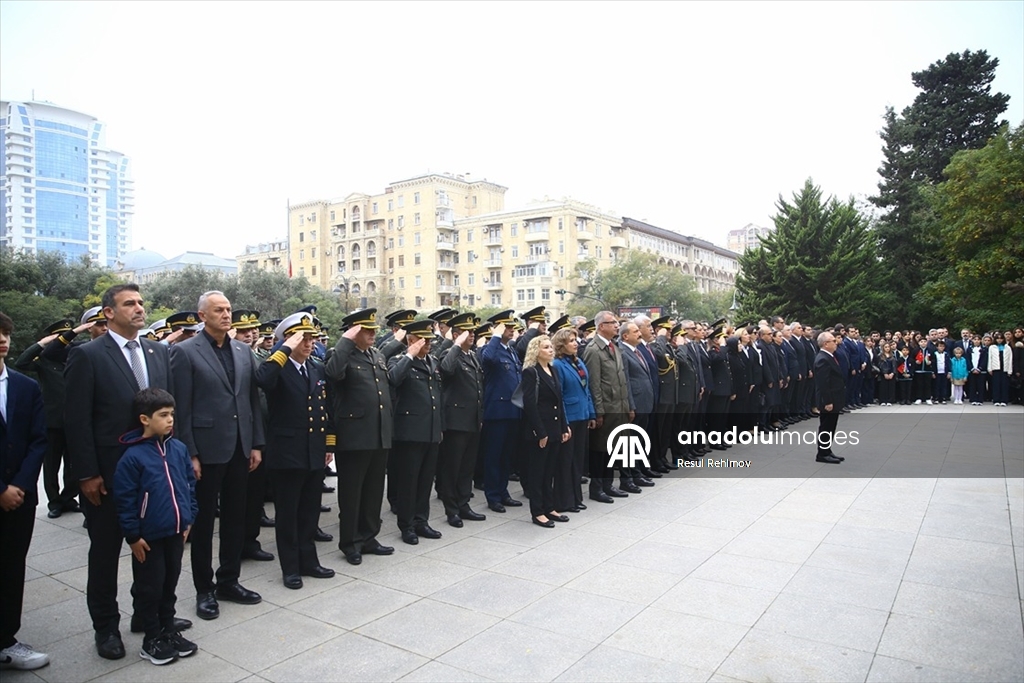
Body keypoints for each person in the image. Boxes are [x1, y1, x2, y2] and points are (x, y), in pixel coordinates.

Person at [64, 284, 186, 660]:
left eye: (140, 302)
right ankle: (106, 627)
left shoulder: (159, 351)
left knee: (150, 552)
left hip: (153, 476)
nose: (138, 308)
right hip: (108, 474)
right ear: (108, 312)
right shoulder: (88, 356)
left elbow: (167, 414)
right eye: (129, 303)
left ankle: (146, 616)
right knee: (104, 553)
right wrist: (86, 473)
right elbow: (76, 420)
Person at [170, 291, 265, 621]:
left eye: (228, 310)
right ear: (202, 316)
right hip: (206, 450)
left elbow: (251, 401)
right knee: (205, 521)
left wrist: (255, 444)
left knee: (236, 518)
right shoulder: (184, 353)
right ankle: (204, 589)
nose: (226, 315)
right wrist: (190, 453)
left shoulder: (241, 350)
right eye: (218, 311)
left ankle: (229, 580)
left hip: (240, 447)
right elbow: (180, 407)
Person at [112, 388, 198, 665]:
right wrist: (133, 536)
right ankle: (151, 637)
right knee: (150, 585)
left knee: (170, 580)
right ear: (144, 419)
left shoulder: (179, 448)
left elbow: (188, 485)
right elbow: (124, 500)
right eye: (163, 415)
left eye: (172, 414)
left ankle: (168, 628)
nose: (170, 420)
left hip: (176, 531)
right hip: (148, 537)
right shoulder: (133, 457)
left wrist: (188, 517)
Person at [255, 313, 336, 589]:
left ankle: (309, 561)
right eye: (303, 338)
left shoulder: (315, 368)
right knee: (288, 515)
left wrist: (329, 444)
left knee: (309, 513)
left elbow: (327, 409)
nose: (309, 343)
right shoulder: (278, 367)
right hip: (287, 454)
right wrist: (285, 348)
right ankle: (290, 568)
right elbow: (262, 379)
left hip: (313, 452)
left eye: (312, 338)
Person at [325, 308, 396, 566]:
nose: (373, 335)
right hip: (354, 436)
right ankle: (350, 542)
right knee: (352, 493)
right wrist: (345, 341)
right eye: (367, 330)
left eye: (374, 330)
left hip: (378, 433)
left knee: (373, 491)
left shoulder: (375, 355)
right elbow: (332, 374)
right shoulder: (340, 354)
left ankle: (368, 537)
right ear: (354, 331)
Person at [0, 312, 51, 671]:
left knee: (12, 565)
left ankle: (6, 639)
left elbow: (39, 440)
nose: (2, 340)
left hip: (20, 495)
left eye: (5, 333)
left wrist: (19, 485)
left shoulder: (24, 386)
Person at [13, 319, 81, 519]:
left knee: (74, 464)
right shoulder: (43, 360)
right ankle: (55, 502)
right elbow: (21, 362)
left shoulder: (76, 358)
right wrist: (42, 344)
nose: (65, 343)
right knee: (51, 465)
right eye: (60, 338)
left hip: (74, 420)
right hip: (51, 422)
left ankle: (69, 498)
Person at [387, 319, 445, 545]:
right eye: (423, 340)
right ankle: (407, 525)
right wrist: (410, 354)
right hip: (409, 432)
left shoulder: (432, 361)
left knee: (425, 480)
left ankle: (422, 521)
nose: (429, 343)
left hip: (430, 430)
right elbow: (393, 379)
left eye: (430, 339)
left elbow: (437, 398)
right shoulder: (399, 360)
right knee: (408, 481)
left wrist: (440, 427)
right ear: (411, 341)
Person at [437, 312, 487, 528]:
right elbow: (445, 369)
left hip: (472, 420)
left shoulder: (472, 356)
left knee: (467, 466)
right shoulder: (451, 354)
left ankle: (464, 503)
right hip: (455, 420)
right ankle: (452, 509)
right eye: (467, 333)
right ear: (456, 335)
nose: (473, 336)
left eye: (473, 332)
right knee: (452, 467)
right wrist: (455, 344)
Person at [582, 311, 633, 503]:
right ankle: (597, 488)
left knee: (612, 449)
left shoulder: (614, 346)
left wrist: (628, 406)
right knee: (600, 450)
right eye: (612, 323)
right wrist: (598, 412)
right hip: (606, 408)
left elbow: (621, 380)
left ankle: (608, 485)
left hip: (619, 406)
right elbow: (593, 384)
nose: (617, 326)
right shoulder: (593, 349)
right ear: (601, 326)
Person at [520, 335, 571, 528]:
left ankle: (549, 507)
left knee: (550, 470)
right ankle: (538, 511)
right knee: (538, 472)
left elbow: (559, 400)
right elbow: (530, 405)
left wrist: (564, 426)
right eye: (546, 347)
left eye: (551, 347)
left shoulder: (553, 369)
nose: (551, 350)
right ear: (536, 351)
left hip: (555, 426)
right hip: (540, 429)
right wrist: (540, 432)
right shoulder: (530, 373)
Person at [478, 310, 525, 513]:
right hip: (496, 412)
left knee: (507, 456)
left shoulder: (511, 351)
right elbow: (487, 359)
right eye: (507, 326)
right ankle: (493, 496)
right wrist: (495, 335)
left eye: (513, 326)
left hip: (514, 410)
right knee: (494, 456)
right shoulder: (490, 348)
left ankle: (503, 492)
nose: (511, 329)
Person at [551, 328, 595, 513]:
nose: (575, 343)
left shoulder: (579, 362)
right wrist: (564, 423)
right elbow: (558, 396)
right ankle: (564, 500)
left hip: (582, 415)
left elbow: (587, 391)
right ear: (562, 345)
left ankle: (576, 497)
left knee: (577, 460)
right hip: (569, 417)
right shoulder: (557, 365)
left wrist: (591, 414)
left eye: (575, 340)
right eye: (571, 341)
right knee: (565, 461)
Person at [813, 331, 846, 464]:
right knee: (826, 426)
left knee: (831, 426)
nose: (836, 342)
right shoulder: (822, 359)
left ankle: (827, 450)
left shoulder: (829, 356)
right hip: (828, 399)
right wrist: (828, 401)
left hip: (834, 397)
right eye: (833, 341)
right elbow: (823, 383)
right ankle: (822, 453)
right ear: (826, 344)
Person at [989, 332, 1013, 406]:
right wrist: (990, 368)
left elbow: (1010, 359)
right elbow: (990, 358)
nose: (999, 340)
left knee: (1004, 385)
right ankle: (996, 400)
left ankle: (1004, 400)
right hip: (996, 368)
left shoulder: (1007, 347)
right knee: (996, 385)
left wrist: (1010, 370)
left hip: (1005, 368)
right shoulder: (992, 347)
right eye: (998, 339)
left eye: (1001, 338)